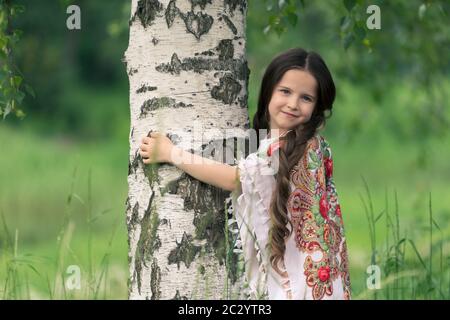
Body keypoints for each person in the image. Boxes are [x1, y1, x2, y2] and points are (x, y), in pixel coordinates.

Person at [139, 48, 351, 300]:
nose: (293, 104)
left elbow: (233, 178)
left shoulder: (291, 147)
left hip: (300, 285)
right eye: (285, 91)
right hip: (324, 282)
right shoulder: (315, 145)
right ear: (269, 90)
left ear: (317, 106)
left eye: (306, 98)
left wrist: (172, 153)